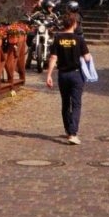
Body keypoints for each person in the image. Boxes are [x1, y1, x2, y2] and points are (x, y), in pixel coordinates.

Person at [45, 9, 92, 145]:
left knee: (65, 103)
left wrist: (49, 75)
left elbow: (53, 57)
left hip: (63, 75)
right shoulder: (79, 39)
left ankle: (68, 129)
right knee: (76, 104)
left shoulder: (58, 38)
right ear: (74, 24)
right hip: (76, 74)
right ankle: (73, 133)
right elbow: (87, 58)